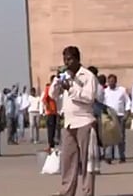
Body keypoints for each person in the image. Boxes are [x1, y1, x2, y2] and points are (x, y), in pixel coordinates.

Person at [52, 46, 98, 196]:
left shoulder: (88, 76)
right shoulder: (65, 76)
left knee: (87, 162)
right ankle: (67, 191)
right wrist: (57, 80)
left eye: (70, 59)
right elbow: (53, 95)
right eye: (65, 59)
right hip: (69, 123)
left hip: (84, 121)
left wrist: (71, 89)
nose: (67, 62)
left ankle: (87, 192)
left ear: (78, 59)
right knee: (68, 160)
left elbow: (89, 97)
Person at [42, 75, 60, 151]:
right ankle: (50, 144)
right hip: (50, 112)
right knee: (51, 129)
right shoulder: (48, 88)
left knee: (55, 128)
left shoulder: (58, 89)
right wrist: (48, 107)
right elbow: (44, 99)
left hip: (56, 111)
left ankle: (54, 143)